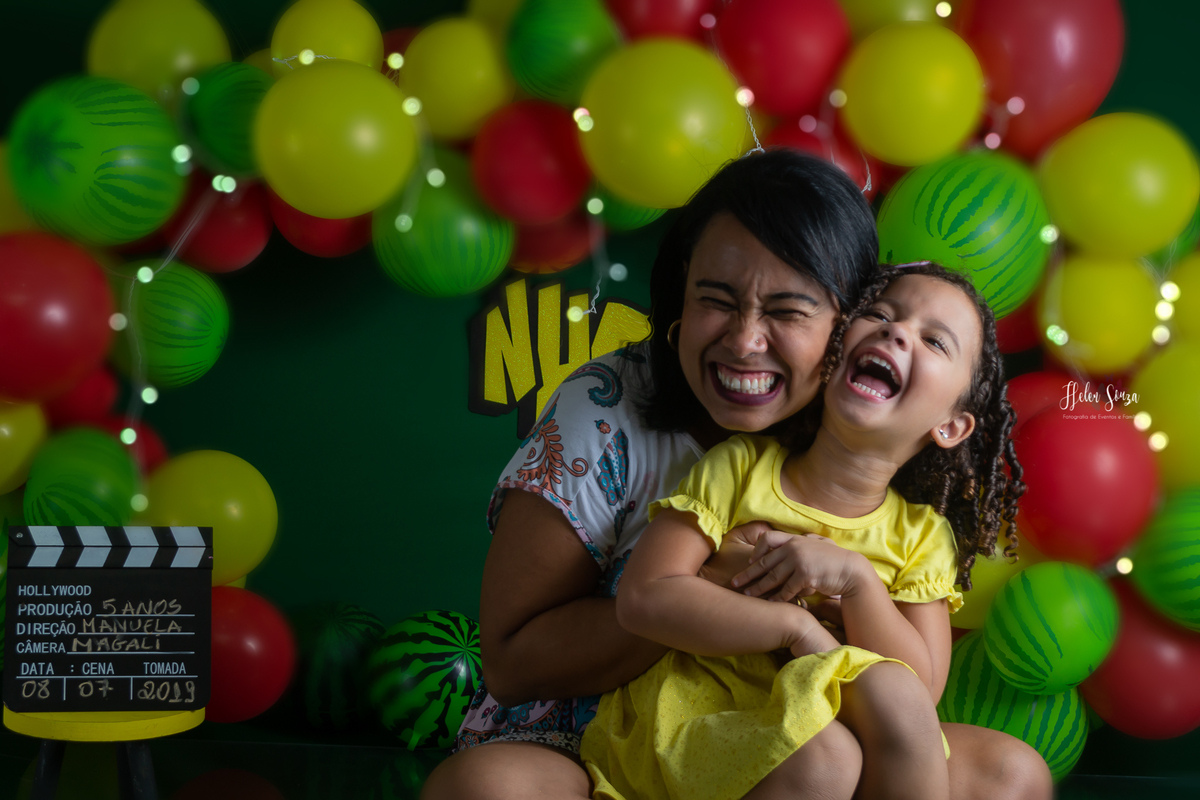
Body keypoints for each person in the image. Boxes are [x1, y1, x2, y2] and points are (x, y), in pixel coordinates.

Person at [421, 151, 1052, 800]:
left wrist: (853, 594)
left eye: (788, 310)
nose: (745, 341)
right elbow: (511, 662)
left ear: (842, 320)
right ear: (680, 299)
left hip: (809, 723)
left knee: (1010, 775)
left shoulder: (872, 441)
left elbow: (914, 684)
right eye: (716, 301)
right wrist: (715, 589)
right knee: (486, 790)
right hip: (596, 735)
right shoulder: (613, 409)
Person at [580, 262, 1022, 800]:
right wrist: (793, 627)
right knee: (824, 758)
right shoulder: (741, 467)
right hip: (710, 714)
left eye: (934, 341)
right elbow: (644, 597)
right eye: (880, 314)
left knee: (1014, 771)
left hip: (854, 731)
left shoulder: (922, 537)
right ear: (835, 351)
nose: (896, 330)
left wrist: (858, 582)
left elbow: (919, 697)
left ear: (950, 426)